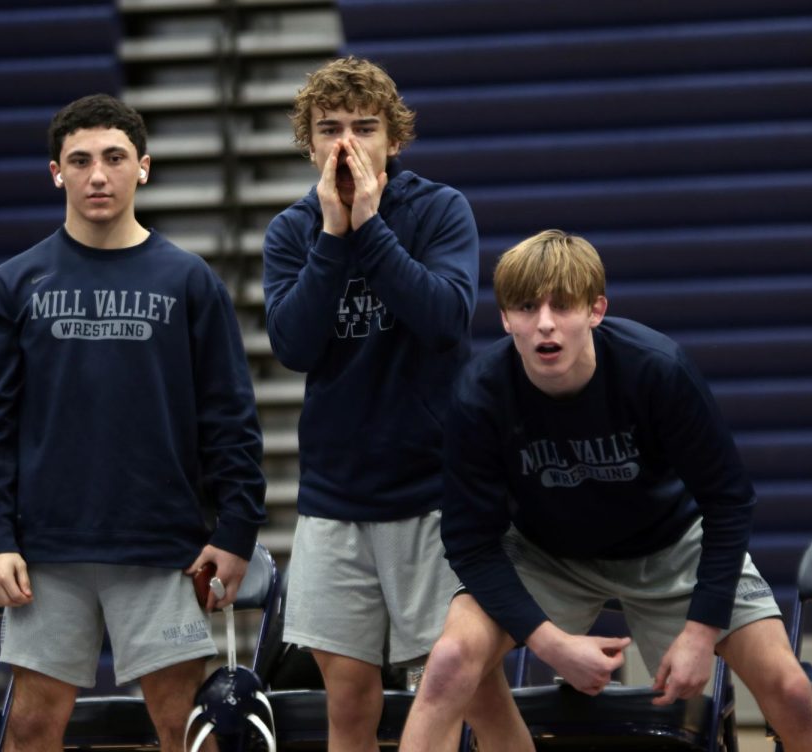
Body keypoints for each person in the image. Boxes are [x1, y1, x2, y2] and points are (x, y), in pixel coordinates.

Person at [401, 229, 812, 751]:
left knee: (791, 689)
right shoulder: (479, 395)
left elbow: (729, 500)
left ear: (596, 310)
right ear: (505, 319)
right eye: (525, 307)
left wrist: (701, 631)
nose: (544, 323)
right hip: (546, 554)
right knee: (450, 666)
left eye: (562, 306)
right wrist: (550, 642)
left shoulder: (656, 369)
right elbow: (469, 540)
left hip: (671, 547)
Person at [0, 93, 267, 752]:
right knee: (32, 726)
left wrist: (237, 527)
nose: (97, 175)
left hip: (163, 547)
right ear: (55, 173)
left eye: (114, 158)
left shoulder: (190, 282)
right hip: (47, 550)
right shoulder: (14, 285)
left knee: (185, 726)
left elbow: (230, 415)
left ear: (144, 168)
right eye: (79, 160)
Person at [261, 55, 526, 751]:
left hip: (436, 492)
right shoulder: (293, 231)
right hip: (334, 499)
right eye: (329, 128)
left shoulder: (439, 210)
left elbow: (444, 319)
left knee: (473, 690)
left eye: (365, 126)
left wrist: (371, 227)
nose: (346, 142)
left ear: (394, 139)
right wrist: (333, 235)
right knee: (346, 700)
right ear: (309, 143)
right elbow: (294, 344)